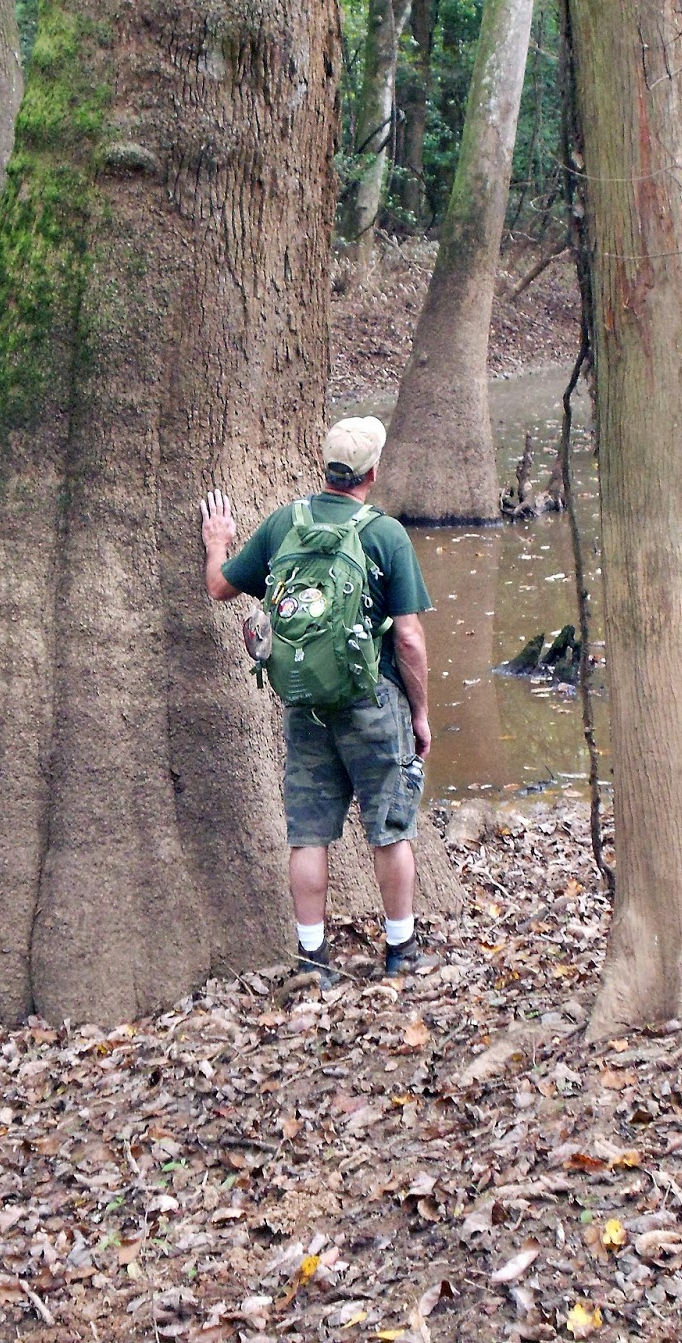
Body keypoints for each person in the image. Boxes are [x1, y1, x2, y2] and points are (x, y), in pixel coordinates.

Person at [200, 416, 432, 979]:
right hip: (375, 701)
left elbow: (220, 587)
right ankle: (399, 952)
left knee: (308, 832)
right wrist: (421, 714)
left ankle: (312, 957)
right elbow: (407, 638)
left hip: (306, 703)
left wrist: (217, 543)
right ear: (372, 472)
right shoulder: (385, 535)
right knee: (389, 827)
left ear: (325, 466)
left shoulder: (285, 524)